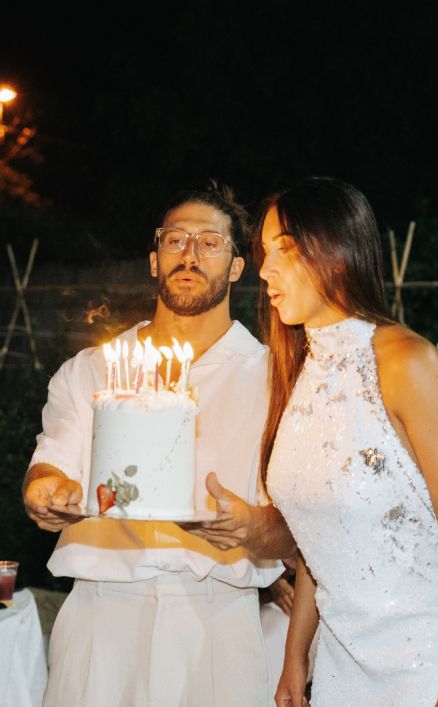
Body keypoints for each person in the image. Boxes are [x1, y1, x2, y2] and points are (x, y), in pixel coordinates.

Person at [23, 182, 295, 707]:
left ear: (238, 267)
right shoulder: (92, 370)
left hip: (218, 619)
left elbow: (297, 529)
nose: (189, 254)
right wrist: (47, 491)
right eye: (175, 240)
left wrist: (256, 527)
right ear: (153, 258)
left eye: (209, 243)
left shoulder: (275, 381)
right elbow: (50, 464)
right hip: (100, 619)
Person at [256, 177, 438, 706]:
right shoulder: (302, 372)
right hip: (342, 664)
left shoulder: (407, 362)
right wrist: (294, 655)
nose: (265, 270)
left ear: (333, 252)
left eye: (283, 249)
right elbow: (320, 540)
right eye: (264, 252)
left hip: (433, 662)